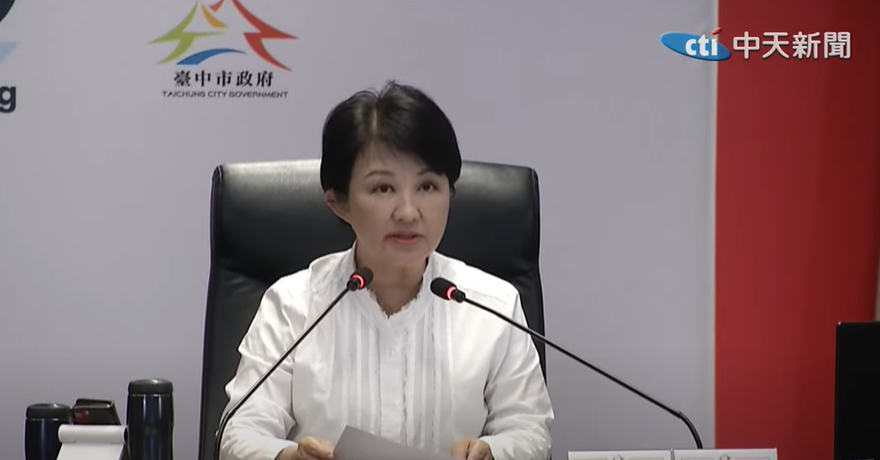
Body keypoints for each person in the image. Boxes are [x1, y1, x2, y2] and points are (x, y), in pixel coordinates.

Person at [219, 81, 554, 460]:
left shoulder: (493, 305)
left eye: (427, 186)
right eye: (383, 189)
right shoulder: (293, 305)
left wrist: (493, 451)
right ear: (339, 203)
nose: (408, 212)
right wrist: (289, 458)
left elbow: (530, 429)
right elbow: (239, 433)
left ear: (451, 194)